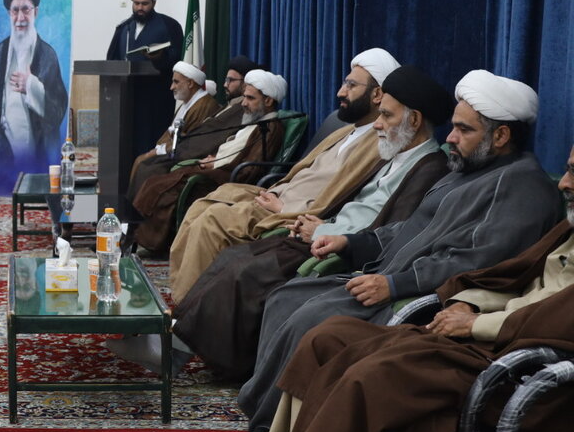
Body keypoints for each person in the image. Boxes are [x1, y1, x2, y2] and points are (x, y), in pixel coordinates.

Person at [236, 70, 561, 432]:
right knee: (285, 297)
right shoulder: (469, 170)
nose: (451, 137)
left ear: (502, 135)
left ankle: (276, 431)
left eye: (463, 130)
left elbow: (475, 262)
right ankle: (268, 417)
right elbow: (411, 229)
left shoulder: (521, 187)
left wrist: (394, 285)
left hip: (415, 296)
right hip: (384, 275)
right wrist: (352, 241)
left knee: (312, 317)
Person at [268, 149, 574, 432]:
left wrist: (476, 324)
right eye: (567, 169)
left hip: (527, 367)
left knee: (382, 373)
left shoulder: (522, 188)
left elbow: (558, 317)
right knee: (332, 337)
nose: (564, 183)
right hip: (495, 337)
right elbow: (515, 278)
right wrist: (468, 302)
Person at [172, 66, 454, 381]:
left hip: (337, 249)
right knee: (232, 258)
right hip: (322, 232)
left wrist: (323, 230)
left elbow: (391, 231)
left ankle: (213, 359)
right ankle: (182, 342)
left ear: (413, 121)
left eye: (386, 115)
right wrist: (319, 220)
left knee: (245, 273)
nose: (377, 123)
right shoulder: (397, 153)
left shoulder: (429, 168)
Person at [167, 48, 398, 300]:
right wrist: (276, 192)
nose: (340, 92)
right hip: (276, 193)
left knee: (211, 221)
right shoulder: (347, 130)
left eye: (351, 85)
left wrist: (284, 207)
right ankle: (185, 295)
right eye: (344, 84)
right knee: (201, 206)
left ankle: (185, 304)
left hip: (292, 209)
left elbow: (343, 195)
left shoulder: (379, 142)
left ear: (377, 94)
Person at [130, 69, 288, 252]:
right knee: (155, 180)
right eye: (244, 97)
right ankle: (137, 234)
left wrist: (217, 164)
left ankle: (151, 241)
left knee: (161, 188)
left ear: (268, 101)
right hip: (217, 168)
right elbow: (235, 150)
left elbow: (250, 170)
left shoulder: (270, 128)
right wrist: (216, 158)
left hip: (226, 178)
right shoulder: (255, 122)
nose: (244, 103)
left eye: (250, 98)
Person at [0, 0, 70, 192]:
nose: (20, 18)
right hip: (4, 149)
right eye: (14, 10)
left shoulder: (47, 55)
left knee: (37, 186)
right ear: (9, 13)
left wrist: (31, 86)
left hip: (37, 150)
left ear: (36, 11)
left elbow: (58, 110)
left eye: (25, 9)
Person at [125, 55, 263, 204]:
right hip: (188, 153)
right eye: (226, 79)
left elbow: (213, 138)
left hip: (198, 158)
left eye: (231, 80)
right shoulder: (230, 105)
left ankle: (136, 214)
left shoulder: (237, 110)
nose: (225, 84)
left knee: (151, 173)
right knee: (146, 166)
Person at [106, 0, 184, 70]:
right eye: (136, 3)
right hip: (126, 78)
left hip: (157, 77)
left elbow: (178, 58)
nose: (140, 8)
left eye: (144, 4)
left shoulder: (169, 24)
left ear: (153, 3)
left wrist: (159, 57)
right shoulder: (124, 26)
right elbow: (113, 58)